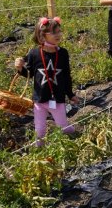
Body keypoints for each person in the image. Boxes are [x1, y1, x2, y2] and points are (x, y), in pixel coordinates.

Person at [15, 17, 78, 146]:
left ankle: (76, 136)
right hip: (40, 99)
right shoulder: (34, 53)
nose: (59, 35)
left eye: (60, 31)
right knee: (40, 129)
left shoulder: (63, 53)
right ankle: (39, 149)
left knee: (63, 126)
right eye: (54, 33)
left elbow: (66, 75)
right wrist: (20, 67)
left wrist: (70, 94)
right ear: (43, 36)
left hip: (57, 98)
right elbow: (29, 74)